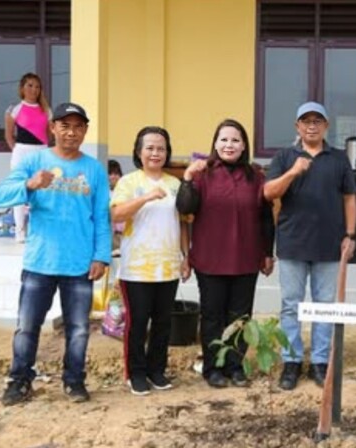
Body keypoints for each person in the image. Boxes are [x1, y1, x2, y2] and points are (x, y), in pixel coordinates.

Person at [0, 102, 111, 405]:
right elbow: (2, 195)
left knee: (79, 330)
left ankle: (74, 381)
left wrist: (101, 256)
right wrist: (29, 184)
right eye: (65, 126)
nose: (71, 132)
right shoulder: (34, 160)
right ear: (53, 128)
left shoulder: (94, 169)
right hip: (40, 261)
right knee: (27, 327)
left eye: (78, 127)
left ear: (85, 131)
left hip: (79, 264)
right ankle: (19, 381)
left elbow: (101, 217)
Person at [264, 102, 356, 390]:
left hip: (330, 244)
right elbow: (269, 192)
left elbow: (349, 198)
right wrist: (293, 171)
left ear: (326, 126)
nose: (312, 125)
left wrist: (350, 235)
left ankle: (320, 362)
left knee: (324, 306)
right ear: (297, 127)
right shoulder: (284, 157)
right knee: (291, 306)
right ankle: (291, 361)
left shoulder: (338, 158)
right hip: (293, 243)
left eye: (318, 121)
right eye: (306, 121)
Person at [176, 119, 275, 388]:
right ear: (215, 144)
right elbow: (184, 207)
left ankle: (236, 366)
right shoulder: (202, 174)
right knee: (212, 316)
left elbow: (266, 217)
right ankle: (213, 368)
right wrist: (186, 178)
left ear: (244, 146)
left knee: (240, 318)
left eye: (235, 140)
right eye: (224, 140)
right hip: (210, 259)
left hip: (246, 258)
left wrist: (268, 252)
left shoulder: (256, 176)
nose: (229, 145)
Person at [110, 126, 190, 396]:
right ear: (138, 151)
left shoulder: (174, 184)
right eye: (150, 147)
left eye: (161, 148)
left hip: (167, 266)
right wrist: (145, 197)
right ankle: (136, 372)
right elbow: (117, 214)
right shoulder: (129, 182)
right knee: (137, 322)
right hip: (136, 269)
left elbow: (182, 223)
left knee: (163, 322)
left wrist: (185, 257)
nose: (156, 153)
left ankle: (157, 370)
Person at [4, 73, 52, 243]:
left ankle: (38, 230)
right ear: (22, 88)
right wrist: (17, 151)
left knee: (41, 191)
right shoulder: (14, 109)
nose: (34, 89)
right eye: (30, 85)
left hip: (40, 152)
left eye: (37, 86)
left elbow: (48, 135)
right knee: (20, 191)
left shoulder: (46, 111)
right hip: (21, 151)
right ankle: (20, 231)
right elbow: (9, 135)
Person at [108, 159, 124, 251]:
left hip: (125, 234)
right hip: (111, 235)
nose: (113, 177)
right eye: (110, 174)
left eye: (116, 173)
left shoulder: (126, 191)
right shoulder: (104, 193)